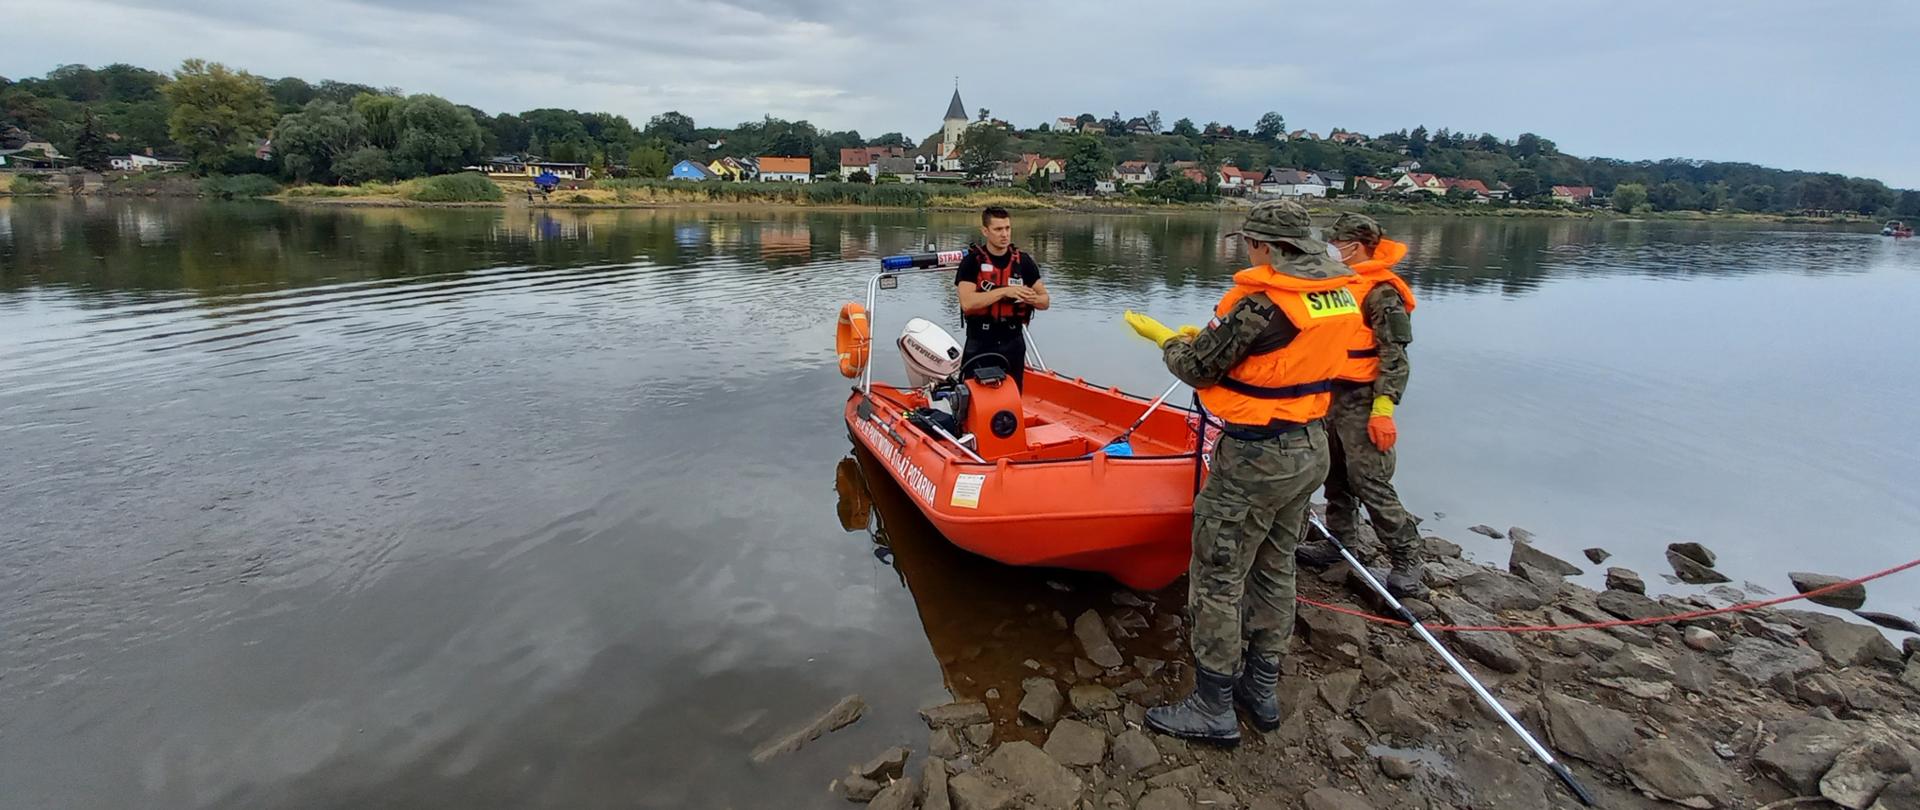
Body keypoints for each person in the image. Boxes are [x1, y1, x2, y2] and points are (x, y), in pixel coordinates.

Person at [1122, 200, 1363, 745]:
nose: (1246, 250)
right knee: (1276, 568)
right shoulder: (1339, 296)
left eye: (1251, 242)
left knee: (1217, 575)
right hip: (1310, 447)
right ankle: (1261, 689)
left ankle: (1213, 706)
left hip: (1257, 457)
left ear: (1272, 248)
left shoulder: (1260, 307)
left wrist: (1170, 340)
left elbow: (1197, 368)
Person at [1293, 214, 1428, 599]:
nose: (1330, 247)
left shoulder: (1382, 292)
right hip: (1327, 391)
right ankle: (1339, 544)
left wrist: (1384, 407)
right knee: (1333, 473)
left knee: (1370, 480)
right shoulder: (1337, 284)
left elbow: (1395, 355)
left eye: (1336, 241)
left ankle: (1406, 558)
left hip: (1364, 396)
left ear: (1355, 245)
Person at [954, 206, 1049, 386]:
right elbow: (967, 303)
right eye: (998, 229)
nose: (1004, 234)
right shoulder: (971, 263)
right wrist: (1005, 291)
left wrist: (1031, 298)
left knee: (1012, 398)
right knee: (976, 399)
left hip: (1013, 340)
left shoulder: (1024, 262)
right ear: (985, 231)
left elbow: (1045, 301)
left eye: (1007, 228)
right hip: (981, 340)